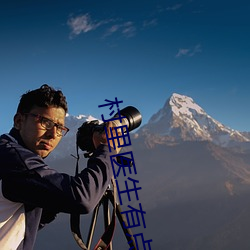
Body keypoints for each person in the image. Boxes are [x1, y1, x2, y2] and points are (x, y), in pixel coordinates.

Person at [0, 84, 119, 250]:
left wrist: (55, 197)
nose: (53, 134)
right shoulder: (15, 159)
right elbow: (83, 199)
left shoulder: (8, 152)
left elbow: (23, 223)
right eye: (45, 122)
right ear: (19, 121)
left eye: (60, 128)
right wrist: (108, 149)